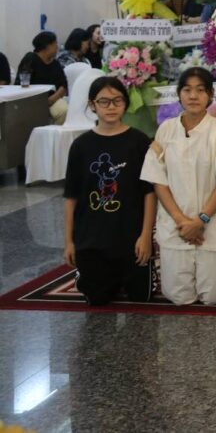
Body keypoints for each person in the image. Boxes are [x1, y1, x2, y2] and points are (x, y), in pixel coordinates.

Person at [141, 67, 216, 305]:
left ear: (210, 95)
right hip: (177, 226)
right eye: (187, 90)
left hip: (212, 225)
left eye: (200, 90)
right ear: (179, 94)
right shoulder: (166, 129)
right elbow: (158, 178)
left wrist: (201, 220)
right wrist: (182, 221)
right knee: (179, 297)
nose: (193, 96)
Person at [62, 76, 156, 305]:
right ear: (92, 105)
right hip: (92, 238)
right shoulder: (81, 146)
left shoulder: (139, 141)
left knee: (140, 297)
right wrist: (69, 241)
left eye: (117, 100)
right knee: (97, 298)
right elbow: (71, 197)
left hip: (130, 237)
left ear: (125, 103)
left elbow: (149, 193)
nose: (111, 107)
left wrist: (145, 237)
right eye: (104, 101)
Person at [18, 31, 68, 124]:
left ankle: (54, 136)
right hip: (31, 99)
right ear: (47, 46)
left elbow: (63, 85)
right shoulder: (30, 59)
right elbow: (21, 82)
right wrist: (40, 101)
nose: (57, 46)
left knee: (64, 110)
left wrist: (51, 99)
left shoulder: (55, 63)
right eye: (55, 44)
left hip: (52, 99)